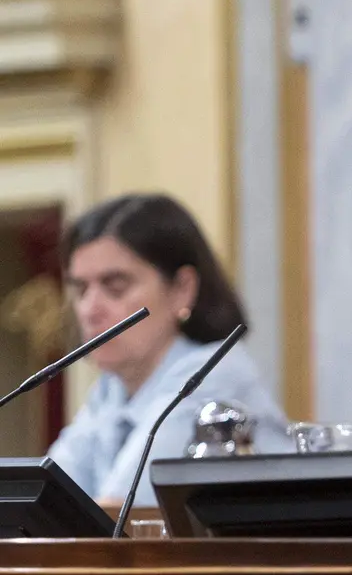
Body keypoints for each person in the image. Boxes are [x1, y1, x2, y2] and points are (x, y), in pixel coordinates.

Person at [48, 194, 292, 507]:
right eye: (81, 289)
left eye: (115, 286)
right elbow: (44, 503)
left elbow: (120, 517)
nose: (90, 309)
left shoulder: (214, 377)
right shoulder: (109, 393)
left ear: (182, 289)